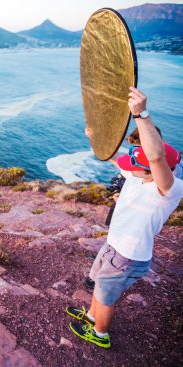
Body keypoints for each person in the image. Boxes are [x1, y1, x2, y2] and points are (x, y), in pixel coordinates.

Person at [66, 87, 183, 348]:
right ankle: (90, 316)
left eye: (137, 166)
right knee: (98, 285)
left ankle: (100, 335)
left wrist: (141, 115)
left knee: (106, 295)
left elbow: (155, 157)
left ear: (155, 169)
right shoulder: (136, 173)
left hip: (128, 254)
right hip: (114, 244)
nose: (129, 167)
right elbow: (112, 156)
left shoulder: (168, 189)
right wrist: (95, 137)